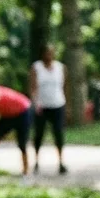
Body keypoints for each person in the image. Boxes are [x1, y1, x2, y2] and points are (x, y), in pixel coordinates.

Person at [29, 45, 68, 174]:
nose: (49, 55)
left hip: (58, 104)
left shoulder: (60, 67)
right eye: (46, 53)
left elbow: (64, 87)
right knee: (39, 134)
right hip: (42, 106)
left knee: (58, 133)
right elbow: (33, 87)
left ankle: (61, 162)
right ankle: (36, 161)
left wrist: (68, 106)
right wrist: (35, 103)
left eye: (51, 53)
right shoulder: (36, 67)